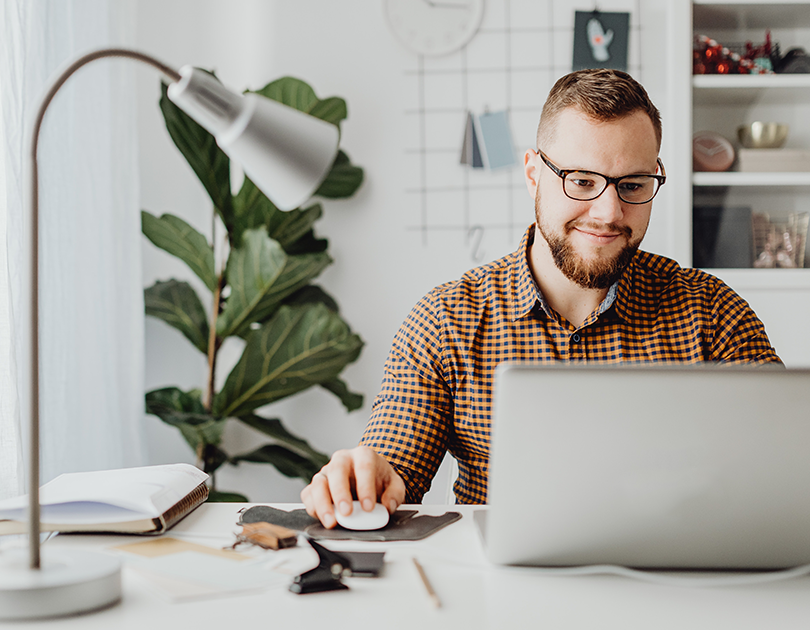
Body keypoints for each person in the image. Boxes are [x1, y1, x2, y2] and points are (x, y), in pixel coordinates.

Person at [301, 69, 781, 528]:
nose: (609, 212)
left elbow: (787, 460)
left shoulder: (713, 313)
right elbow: (394, 465)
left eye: (633, 185)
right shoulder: (446, 319)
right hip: (502, 600)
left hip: (673, 589)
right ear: (534, 174)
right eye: (582, 181)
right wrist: (367, 479)